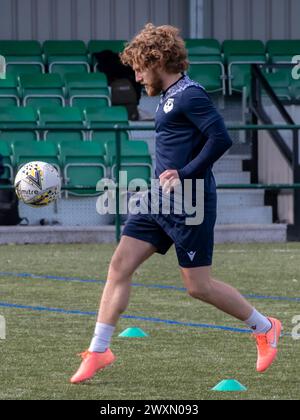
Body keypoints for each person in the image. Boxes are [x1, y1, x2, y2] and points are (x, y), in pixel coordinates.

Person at [70, 23, 281, 384]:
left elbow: (221, 138)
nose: (136, 76)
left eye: (139, 67)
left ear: (158, 60)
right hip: (158, 198)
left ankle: (265, 327)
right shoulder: (168, 96)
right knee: (119, 264)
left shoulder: (190, 94)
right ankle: (99, 349)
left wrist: (184, 174)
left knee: (198, 287)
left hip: (191, 200)